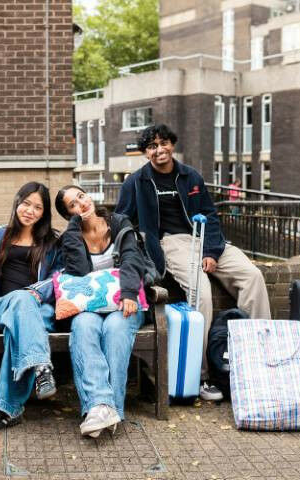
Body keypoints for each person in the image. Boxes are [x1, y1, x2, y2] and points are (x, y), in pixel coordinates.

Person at [115, 124, 271, 401]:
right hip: (172, 243)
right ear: (145, 153)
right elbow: (121, 219)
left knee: (253, 276)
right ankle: (200, 376)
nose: (159, 150)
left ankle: (257, 362)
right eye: (152, 146)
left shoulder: (191, 176)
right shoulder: (136, 182)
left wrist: (211, 251)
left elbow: (210, 215)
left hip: (206, 241)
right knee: (202, 295)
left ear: (172, 145)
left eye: (163, 143)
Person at [55, 185, 157, 438]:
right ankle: (100, 405)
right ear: (69, 214)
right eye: (72, 205)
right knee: (83, 326)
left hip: (126, 301)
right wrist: (73, 229)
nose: (81, 203)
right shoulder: (73, 235)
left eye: (81, 196)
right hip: (90, 305)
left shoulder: (119, 222)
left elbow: (133, 259)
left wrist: (130, 293)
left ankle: (107, 408)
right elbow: (78, 270)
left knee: (114, 327)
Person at [0, 182, 63, 430]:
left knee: (17, 329)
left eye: (37, 207)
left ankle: (9, 408)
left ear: (44, 213)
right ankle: (41, 367)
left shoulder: (52, 242)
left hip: (41, 307)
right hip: (2, 305)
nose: (30, 210)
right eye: (26, 203)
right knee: (19, 300)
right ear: (17, 202)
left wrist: (33, 293)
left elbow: (59, 277)